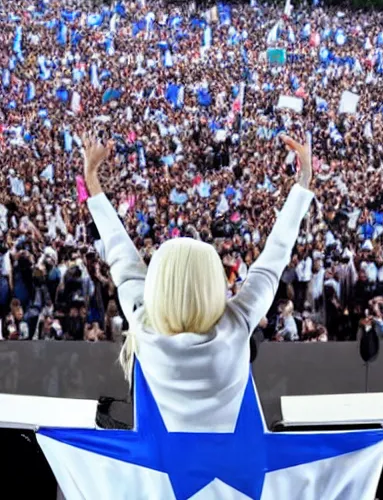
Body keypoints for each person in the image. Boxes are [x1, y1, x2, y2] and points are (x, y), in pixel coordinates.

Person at [82, 133, 314, 429]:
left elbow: (121, 255)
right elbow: (274, 257)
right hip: (233, 470)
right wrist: (303, 178)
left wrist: (92, 177)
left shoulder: (143, 323)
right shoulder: (237, 322)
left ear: (158, 283)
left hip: (163, 471)